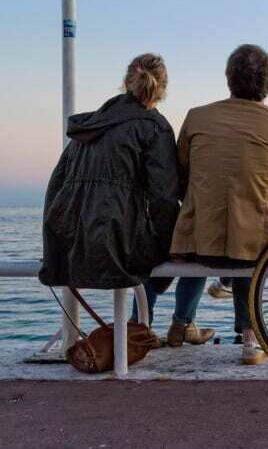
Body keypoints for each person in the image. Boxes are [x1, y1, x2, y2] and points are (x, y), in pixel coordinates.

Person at [169, 44, 268, 364]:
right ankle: (249, 342)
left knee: (207, 237)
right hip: (252, 245)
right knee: (250, 238)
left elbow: (181, 177)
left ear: (229, 78)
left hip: (197, 240)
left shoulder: (196, 117)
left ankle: (178, 325)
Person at [39, 54, 180, 346]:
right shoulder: (155, 127)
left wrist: (53, 243)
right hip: (118, 244)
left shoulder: (89, 125)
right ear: (163, 89)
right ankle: (151, 327)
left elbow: (56, 186)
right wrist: (172, 243)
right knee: (182, 251)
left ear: (126, 82)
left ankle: (140, 326)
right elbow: (163, 198)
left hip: (69, 242)